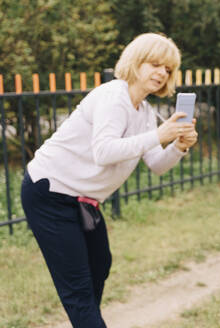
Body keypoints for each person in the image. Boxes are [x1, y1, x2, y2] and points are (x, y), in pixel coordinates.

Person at [20, 33, 197, 327]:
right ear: (135, 61)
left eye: (167, 69)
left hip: (84, 201)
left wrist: (178, 146)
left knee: (99, 266)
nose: (161, 73)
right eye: (155, 64)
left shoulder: (145, 111)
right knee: (77, 287)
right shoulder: (113, 96)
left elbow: (156, 164)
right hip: (49, 192)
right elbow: (104, 151)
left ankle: (87, 320)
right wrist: (159, 135)